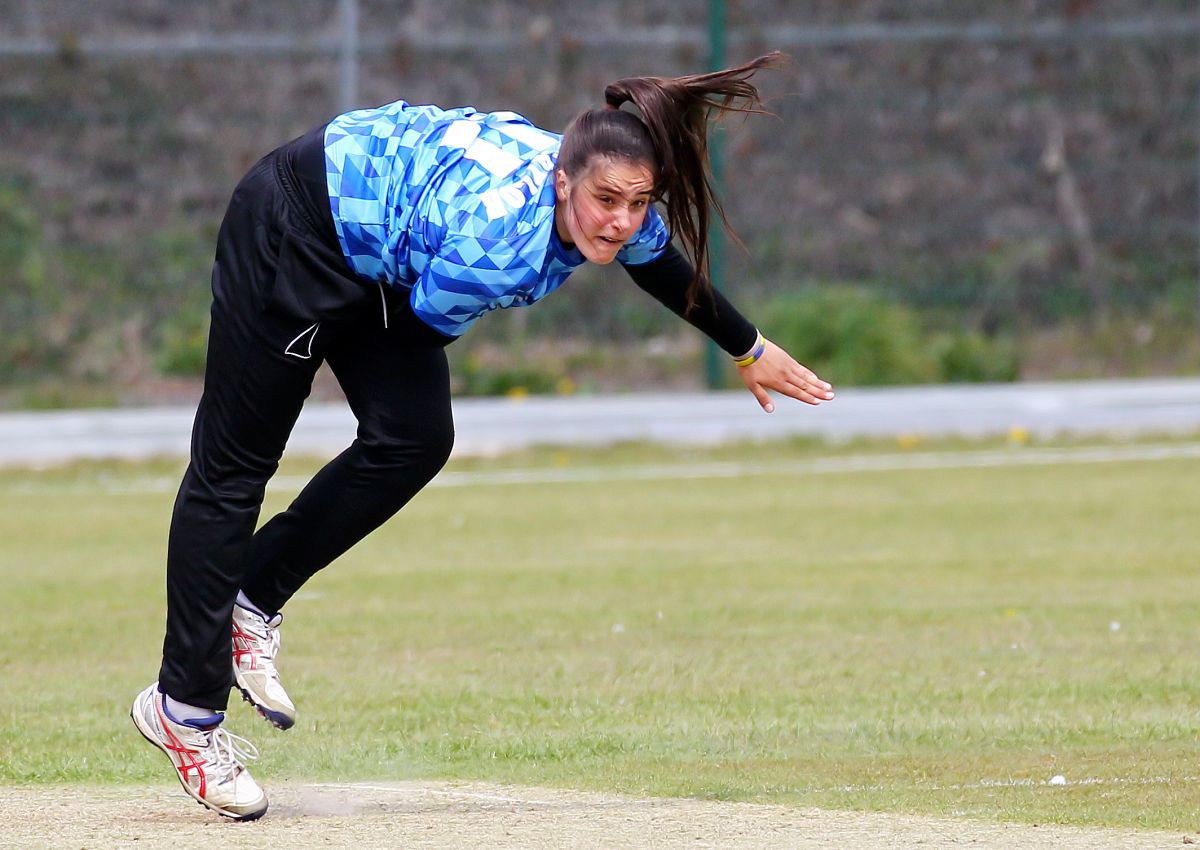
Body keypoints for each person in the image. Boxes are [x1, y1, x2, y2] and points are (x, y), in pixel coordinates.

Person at [130, 51, 834, 821]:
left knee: (414, 436)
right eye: (606, 201)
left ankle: (250, 596)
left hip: (377, 247)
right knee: (234, 468)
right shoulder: (496, 251)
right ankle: (184, 710)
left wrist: (749, 347)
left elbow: (656, 260)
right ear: (562, 181)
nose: (621, 221)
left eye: (638, 203)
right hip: (297, 223)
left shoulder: (603, 186)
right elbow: (410, 332)